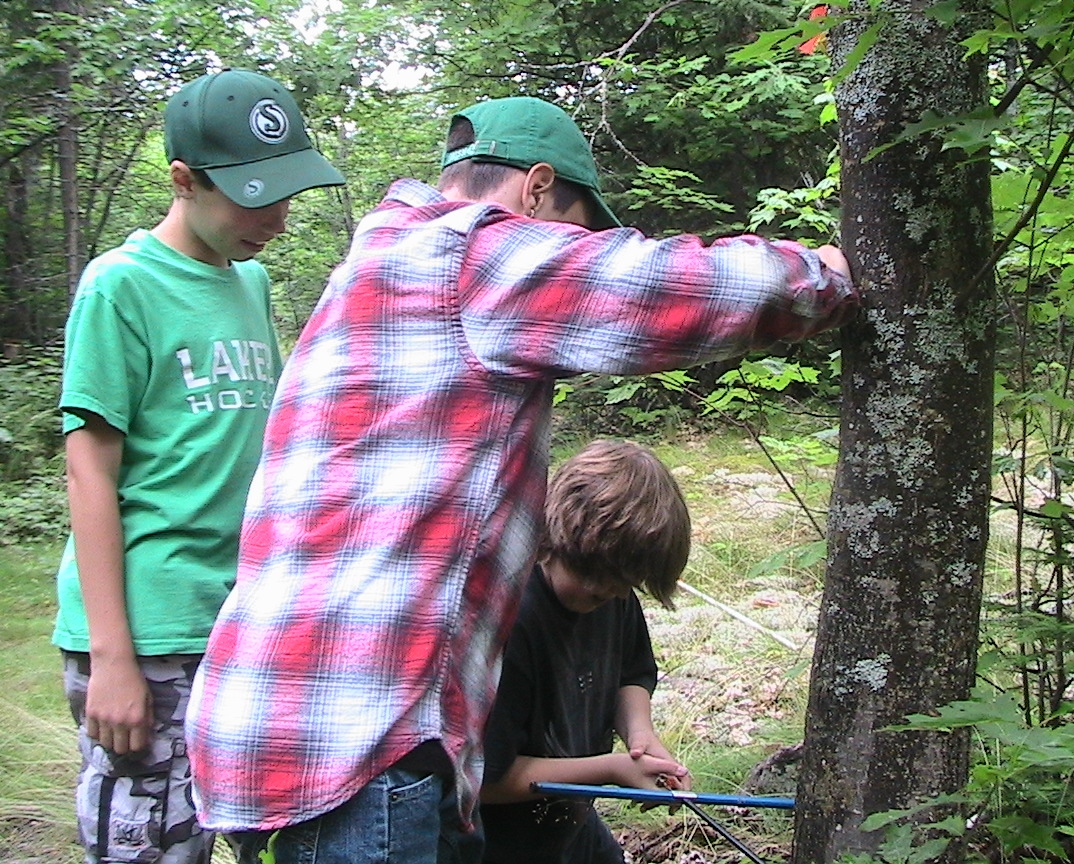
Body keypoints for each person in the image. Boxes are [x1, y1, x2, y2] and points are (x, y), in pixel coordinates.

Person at [185, 94, 858, 864]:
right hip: (361, 739)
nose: (570, 251)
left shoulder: (381, 265)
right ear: (536, 189)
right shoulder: (469, 256)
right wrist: (825, 274)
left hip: (289, 724)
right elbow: (672, 290)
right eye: (573, 232)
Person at [51, 68, 344, 864]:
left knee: (252, 830)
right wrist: (112, 657)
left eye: (287, 194)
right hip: (148, 627)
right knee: (153, 842)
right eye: (254, 197)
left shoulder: (250, 281)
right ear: (184, 180)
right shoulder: (120, 287)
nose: (277, 218)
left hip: (238, 614)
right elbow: (88, 473)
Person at [480, 439, 692, 864]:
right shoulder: (513, 623)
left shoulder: (614, 596)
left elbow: (632, 672)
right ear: (559, 539)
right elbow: (486, 782)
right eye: (597, 577)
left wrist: (640, 737)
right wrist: (610, 769)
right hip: (498, 847)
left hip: (569, 831)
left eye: (626, 583)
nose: (612, 592)